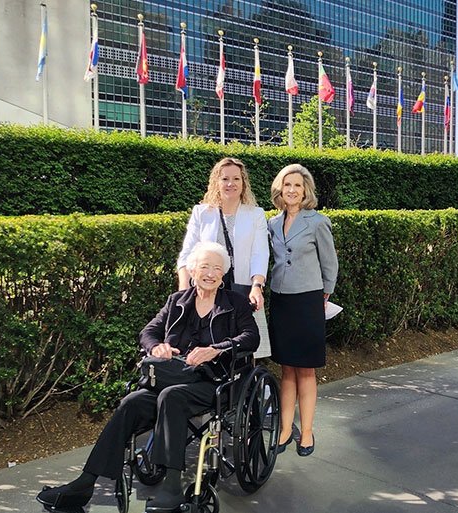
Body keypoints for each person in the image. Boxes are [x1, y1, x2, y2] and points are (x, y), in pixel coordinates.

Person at [36, 242, 259, 511]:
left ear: (223, 274)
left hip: (213, 383)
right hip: (171, 376)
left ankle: (173, 485)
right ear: (192, 270)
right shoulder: (177, 301)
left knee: (170, 397)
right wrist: (157, 346)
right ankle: (85, 482)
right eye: (204, 267)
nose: (210, 273)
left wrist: (215, 350)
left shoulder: (234, 303)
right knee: (131, 402)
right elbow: (148, 332)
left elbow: (251, 337)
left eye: (217, 268)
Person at [267, 164, 338, 458]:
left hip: (309, 300)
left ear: (305, 190)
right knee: (286, 369)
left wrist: (324, 293)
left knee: (305, 370)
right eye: (287, 185)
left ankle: (306, 431)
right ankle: (285, 428)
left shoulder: (317, 222)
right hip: (281, 299)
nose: (292, 190)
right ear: (279, 190)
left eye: (297, 185)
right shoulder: (271, 223)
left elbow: (329, 262)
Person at [176, 157, 271, 359]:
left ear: (243, 183)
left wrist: (257, 286)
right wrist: (184, 290)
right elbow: (187, 253)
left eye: (236, 178)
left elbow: (260, 253)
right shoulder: (202, 213)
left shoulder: (256, 214)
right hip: (206, 288)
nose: (230, 184)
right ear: (216, 182)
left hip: (242, 288)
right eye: (225, 178)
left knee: (244, 345)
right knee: (204, 339)